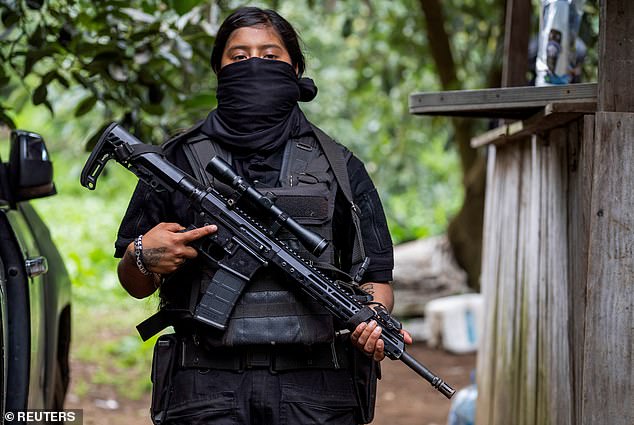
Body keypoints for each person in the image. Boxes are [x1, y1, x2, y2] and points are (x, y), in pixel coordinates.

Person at [114, 6, 412, 425]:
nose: (254, 64)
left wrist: (374, 319)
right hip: (203, 386)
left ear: (295, 69)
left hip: (317, 389)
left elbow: (376, 277)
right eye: (239, 56)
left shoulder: (340, 167)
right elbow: (135, 282)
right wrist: (142, 254)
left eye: (270, 56)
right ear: (219, 68)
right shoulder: (176, 162)